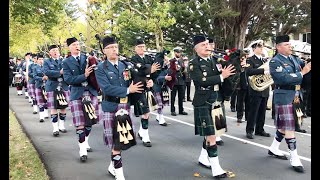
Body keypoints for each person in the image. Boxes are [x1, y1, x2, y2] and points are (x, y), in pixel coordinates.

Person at [95, 35, 144, 180]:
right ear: (104, 51)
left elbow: (137, 79)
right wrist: (129, 90)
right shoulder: (100, 68)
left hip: (125, 106)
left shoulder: (125, 65)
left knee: (122, 141)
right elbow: (106, 88)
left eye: (115, 47)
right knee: (116, 142)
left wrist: (146, 83)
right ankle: (120, 175)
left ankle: (112, 167)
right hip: (110, 106)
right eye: (110, 48)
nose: (114, 50)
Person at [189, 35, 236, 178]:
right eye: (203, 45)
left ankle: (203, 157)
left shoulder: (216, 60)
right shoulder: (194, 64)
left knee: (214, 133)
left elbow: (230, 70)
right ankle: (216, 168)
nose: (207, 47)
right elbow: (201, 81)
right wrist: (222, 76)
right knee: (212, 135)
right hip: (204, 101)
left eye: (207, 44)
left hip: (217, 99)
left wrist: (235, 59)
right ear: (196, 49)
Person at [267, 34, 311, 173]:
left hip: (296, 96)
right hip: (284, 95)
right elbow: (283, 79)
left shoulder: (293, 58)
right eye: (287, 44)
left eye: (289, 44)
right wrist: (302, 73)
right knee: (290, 127)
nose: (290, 46)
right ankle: (294, 157)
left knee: (285, 126)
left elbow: (306, 68)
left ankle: (274, 148)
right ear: (278, 47)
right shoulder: (275, 62)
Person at [62, 38, 99, 162]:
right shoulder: (66, 62)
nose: (77, 46)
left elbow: (97, 73)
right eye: (74, 45)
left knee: (89, 122)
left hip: (90, 92)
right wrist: (84, 75)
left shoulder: (88, 58)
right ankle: (82, 149)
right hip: (76, 93)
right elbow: (68, 80)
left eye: (78, 44)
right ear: (69, 47)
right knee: (80, 123)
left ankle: (85, 140)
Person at [130, 39, 160, 147]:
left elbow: (155, 73)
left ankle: (142, 131)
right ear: (135, 48)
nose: (142, 48)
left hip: (148, 89)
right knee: (146, 112)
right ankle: (145, 135)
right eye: (140, 47)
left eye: (143, 46)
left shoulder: (149, 58)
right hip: (138, 88)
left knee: (147, 112)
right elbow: (137, 72)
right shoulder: (133, 59)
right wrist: (149, 70)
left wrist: (152, 81)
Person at [245, 41, 270, 139]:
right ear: (254, 48)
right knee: (253, 111)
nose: (261, 48)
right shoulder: (250, 60)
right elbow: (249, 72)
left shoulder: (264, 61)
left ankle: (260, 129)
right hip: (255, 90)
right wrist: (263, 71)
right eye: (259, 47)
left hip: (264, 89)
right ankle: (250, 130)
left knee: (262, 111)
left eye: (262, 46)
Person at [43, 45, 69, 137]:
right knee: (53, 108)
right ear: (50, 53)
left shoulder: (64, 61)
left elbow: (69, 71)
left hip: (64, 86)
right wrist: (59, 73)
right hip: (52, 86)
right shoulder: (47, 61)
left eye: (56, 50)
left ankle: (61, 126)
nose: (55, 52)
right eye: (53, 50)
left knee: (63, 107)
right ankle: (55, 128)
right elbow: (46, 72)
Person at [152, 49, 171, 126]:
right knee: (159, 104)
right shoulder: (156, 68)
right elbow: (156, 78)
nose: (166, 59)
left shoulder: (166, 68)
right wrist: (164, 78)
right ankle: (161, 118)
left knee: (163, 103)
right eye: (165, 57)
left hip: (164, 87)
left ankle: (158, 116)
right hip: (156, 87)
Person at [169, 47, 188, 116]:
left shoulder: (181, 60)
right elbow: (170, 70)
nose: (179, 54)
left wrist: (185, 71)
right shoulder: (171, 60)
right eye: (178, 52)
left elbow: (183, 69)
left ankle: (181, 110)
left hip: (181, 81)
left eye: (180, 52)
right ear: (175, 53)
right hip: (174, 81)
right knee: (173, 97)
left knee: (181, 96)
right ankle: (172, 110)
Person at [33, 54, 49, 122]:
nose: (41, 61)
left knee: (46, 100)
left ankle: (46, 114)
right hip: (39, 85)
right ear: (37, 60)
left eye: (42, 59)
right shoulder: (35, 68)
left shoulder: (46, 67)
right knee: (40, 101)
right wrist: (42, 78)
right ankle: (41, 117)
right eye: (39, 59)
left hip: (47, 86)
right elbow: (34, 76)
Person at [236, 51, 250, 123]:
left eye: (244, 58)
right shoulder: (238, 65)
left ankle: (247, 117)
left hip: (248, 85)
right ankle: (239, 116)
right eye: (242, 58)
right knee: (240, 102)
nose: (243, 59)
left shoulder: (248, 65)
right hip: (240, 86)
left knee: (248, 102)